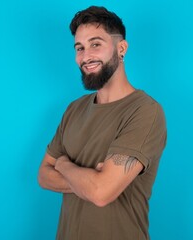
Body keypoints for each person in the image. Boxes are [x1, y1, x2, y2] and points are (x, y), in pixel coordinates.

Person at [38, 6, 167, 240]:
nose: (86, 56)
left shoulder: (145, 111)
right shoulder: (74, 109)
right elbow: (43, 176)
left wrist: (65, 165)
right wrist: (90, 180)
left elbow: (100, 193)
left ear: (121, 48)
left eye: (96, 44)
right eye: (80, 48)